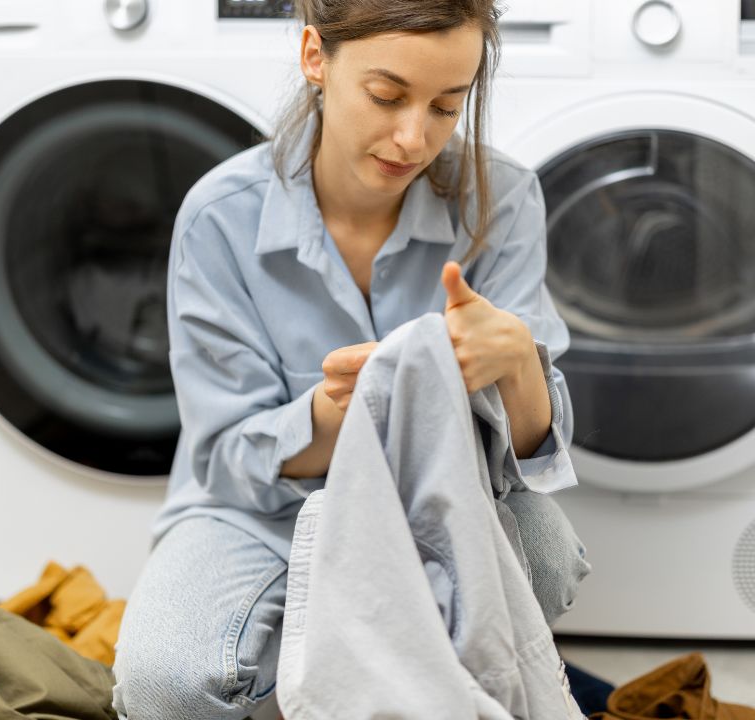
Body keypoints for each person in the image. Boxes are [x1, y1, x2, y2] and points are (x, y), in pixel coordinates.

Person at [111, 1, 591, 717]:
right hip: (262, 512)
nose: (413, 138)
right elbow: (229, 458)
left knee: (546, 561)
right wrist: (351, 409)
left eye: (446, 106)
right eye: (387, 96)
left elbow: (529, 461)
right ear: (316, 57)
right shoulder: (221, 216)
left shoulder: (504, 198)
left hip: (448, 495)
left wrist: (519, 362)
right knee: (167, 684)